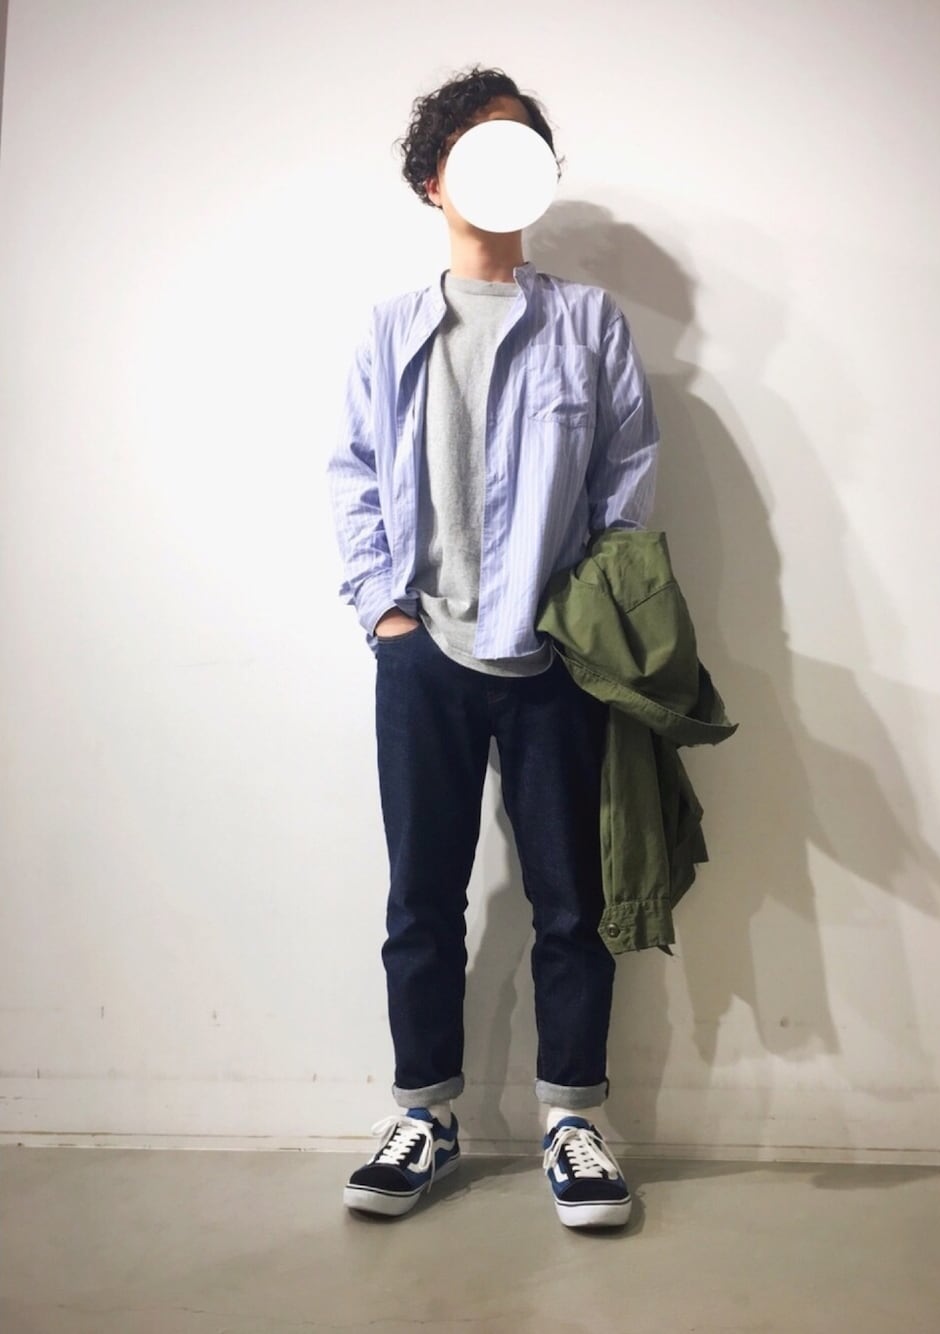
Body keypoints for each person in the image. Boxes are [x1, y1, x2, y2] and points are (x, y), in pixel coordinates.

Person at [330, 65, 659, 1228]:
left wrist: (581, 617)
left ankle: (573, 1119)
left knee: (572, 900)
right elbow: (353, 476)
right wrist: (385, 613)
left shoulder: (587, 323)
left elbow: (625, 485)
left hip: (552, 660)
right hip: (422, 658)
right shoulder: (389, 327)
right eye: (476, 147)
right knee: (421, 899)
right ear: (434, 179)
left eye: (521, 146)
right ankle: (425, 1110)